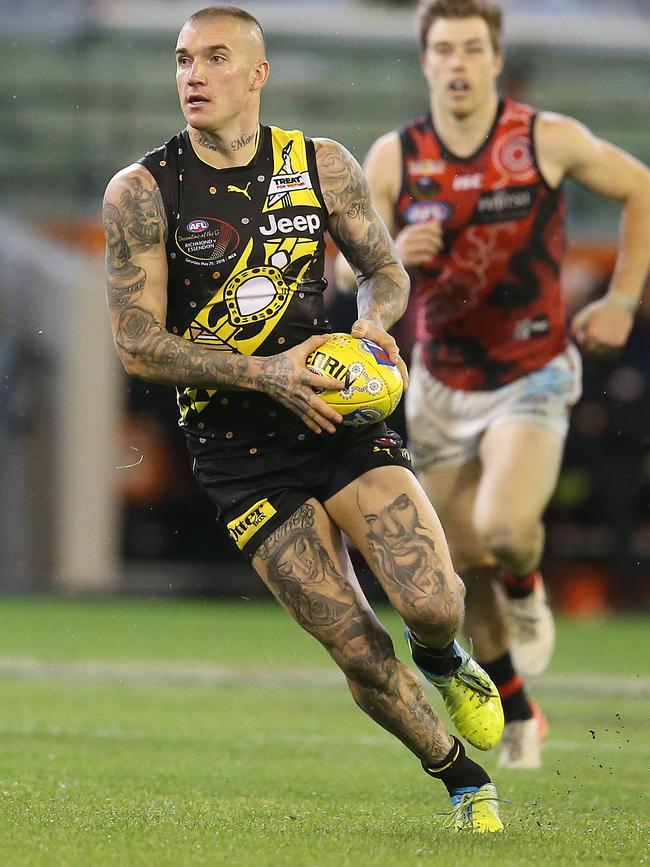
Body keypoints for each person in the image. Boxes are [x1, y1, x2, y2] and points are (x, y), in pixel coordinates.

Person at [102, 5, 507, 832]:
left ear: (258, 75)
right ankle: (464, 780)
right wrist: (267, 373)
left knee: (431, 601)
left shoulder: (320, 164)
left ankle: (443, 655)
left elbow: (385, 270)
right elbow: (137, 342)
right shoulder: (143, 191)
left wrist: (373, 322)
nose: (193, 76)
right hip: (236, 446)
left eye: (215, 59)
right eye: (182, 60)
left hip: (339, 421)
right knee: (354, 641)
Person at [336, 0, 650, 769]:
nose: (458, 62)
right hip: (441, 383)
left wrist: (620, 298)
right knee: (450, 570)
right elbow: (344, 269)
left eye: (472, 48)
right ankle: (516, 703)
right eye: (443, 48)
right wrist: (391, 251)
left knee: (504, 530)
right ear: (425, 62)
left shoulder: (544, 138)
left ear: (495, 58)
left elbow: (642, 187)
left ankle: (527, 577)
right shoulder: (393, 158)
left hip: (532, 372)